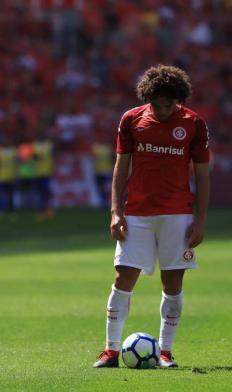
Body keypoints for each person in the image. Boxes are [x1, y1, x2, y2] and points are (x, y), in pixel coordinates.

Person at [93, 65, 210, 369]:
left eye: (169, 105)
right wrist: (116, 211)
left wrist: (200, 220)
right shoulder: (131, 119)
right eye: (157, 105)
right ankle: (111, 351)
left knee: (172, 282)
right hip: (138, 214)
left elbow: (202, 175)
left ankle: (166, 352)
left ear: (178, 100)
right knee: (122, 278)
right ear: (149, 99)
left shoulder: (194, 124)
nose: (162, 110)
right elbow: (121, 168)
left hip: (178, 214)